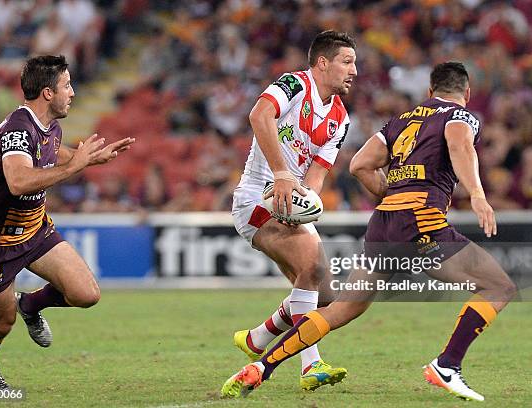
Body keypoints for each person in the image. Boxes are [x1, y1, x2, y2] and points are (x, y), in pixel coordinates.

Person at [221, 62, 517, 401]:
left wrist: (394, 193)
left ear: (430, 93)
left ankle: (262, 367)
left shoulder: (402, 120)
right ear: (466, 93)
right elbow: (460, 142)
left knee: (344, 307)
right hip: (422, 219)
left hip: (384, 221)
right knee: (498, 286)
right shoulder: (463, 116)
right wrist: (477, 195)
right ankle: (447, 364)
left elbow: (360, 164)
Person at [0, 55, 135, 389]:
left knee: (86, 293)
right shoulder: (16, 129)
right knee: (1, 324)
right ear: (47, 93)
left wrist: (90, 159)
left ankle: (29, 304)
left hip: (35, 230)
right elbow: (18, 181)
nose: (72, 92)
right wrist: (75, 168)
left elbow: (55, 153)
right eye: (66, 86)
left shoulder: (49, 126)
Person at [229, 30, 356, 391]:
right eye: (347, 62)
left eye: (355, 63)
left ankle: (258, 337)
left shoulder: (340, 118)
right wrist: (282, 173)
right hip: (257, 198)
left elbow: (316, 177)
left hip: (288, 202)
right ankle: (310, 366)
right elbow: (259, 115)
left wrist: (306, 202)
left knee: (327, 295)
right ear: (322, 63)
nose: (354, 71)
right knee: (311, 268)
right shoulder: (293, 85)